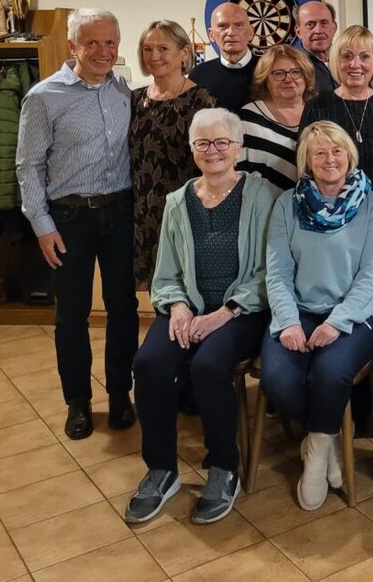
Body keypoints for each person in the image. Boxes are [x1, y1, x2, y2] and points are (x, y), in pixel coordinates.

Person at [126, 108, 273, 525]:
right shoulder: (177, 202)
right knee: (149, 363)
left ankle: (223, 467)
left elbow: (269, 272)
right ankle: (161, 470)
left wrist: (225, 312)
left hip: (242, 311)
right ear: (192, 150)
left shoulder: (261, 196)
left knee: (208, 366)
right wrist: (177, 305)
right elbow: (165, 273)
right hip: (187, 308)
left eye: (222, 142)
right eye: (203, 143)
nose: (213, 151)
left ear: (238, 148)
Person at [17, 9, 138, 440]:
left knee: (123, 308)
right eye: (92, 43)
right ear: (72, 46)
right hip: (68, 219)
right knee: (71, 315)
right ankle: (79, 402)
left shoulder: (124, 91)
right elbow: (28, 166)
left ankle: (121, 394)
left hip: (120, 213)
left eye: (110, 42)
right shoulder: (43, 97)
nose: (103, 51)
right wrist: (42, 225)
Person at [261, 122, 373, 511]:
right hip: (299, 309)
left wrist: (338, 321)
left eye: (336, 151)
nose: (329, 159)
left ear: (349, 156)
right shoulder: (287, 204)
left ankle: (316, 453)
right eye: (319, 152)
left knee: (329, 373)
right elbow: (277, 271)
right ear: (307, 160)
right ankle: (329, 437)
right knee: (276, 378)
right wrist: (287, 321)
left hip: (360, 311)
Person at [302, 25, 373, 238]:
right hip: (333, 222)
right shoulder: (317, 107)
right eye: (347, 56)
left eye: (364, 56)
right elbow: (305, 169)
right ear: (336, 61)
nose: (355, 64)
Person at [130, 20, 216, 289]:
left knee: (186, 290)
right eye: (147, 48)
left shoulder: (202, 101)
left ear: (184, 52)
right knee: (154, 293)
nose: (154, 56)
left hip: (186, 213)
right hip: (142, 215)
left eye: (163, 48)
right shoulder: (134, 100)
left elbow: (215, 163)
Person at [238, 45, 317, 199]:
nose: (288, 79)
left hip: (315, 206)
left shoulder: (320, 112)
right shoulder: (249, 116)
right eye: (279, 73)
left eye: (296, 72)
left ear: (306, 77)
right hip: (263, 206)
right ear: (265, 79)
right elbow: (237, 173)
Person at [189, 2, 259, 112]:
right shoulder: (198, 75)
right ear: (211, 34)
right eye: (223, 26)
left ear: (251, 32)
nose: (231, 32)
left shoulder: (271, 71)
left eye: (239, 25)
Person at [294, 1, 339, 93]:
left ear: (334, 28)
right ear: (298, 32)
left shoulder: (349, 62)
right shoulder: (292, 68)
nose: (318, 31)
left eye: (324, 23)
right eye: (310, 25)